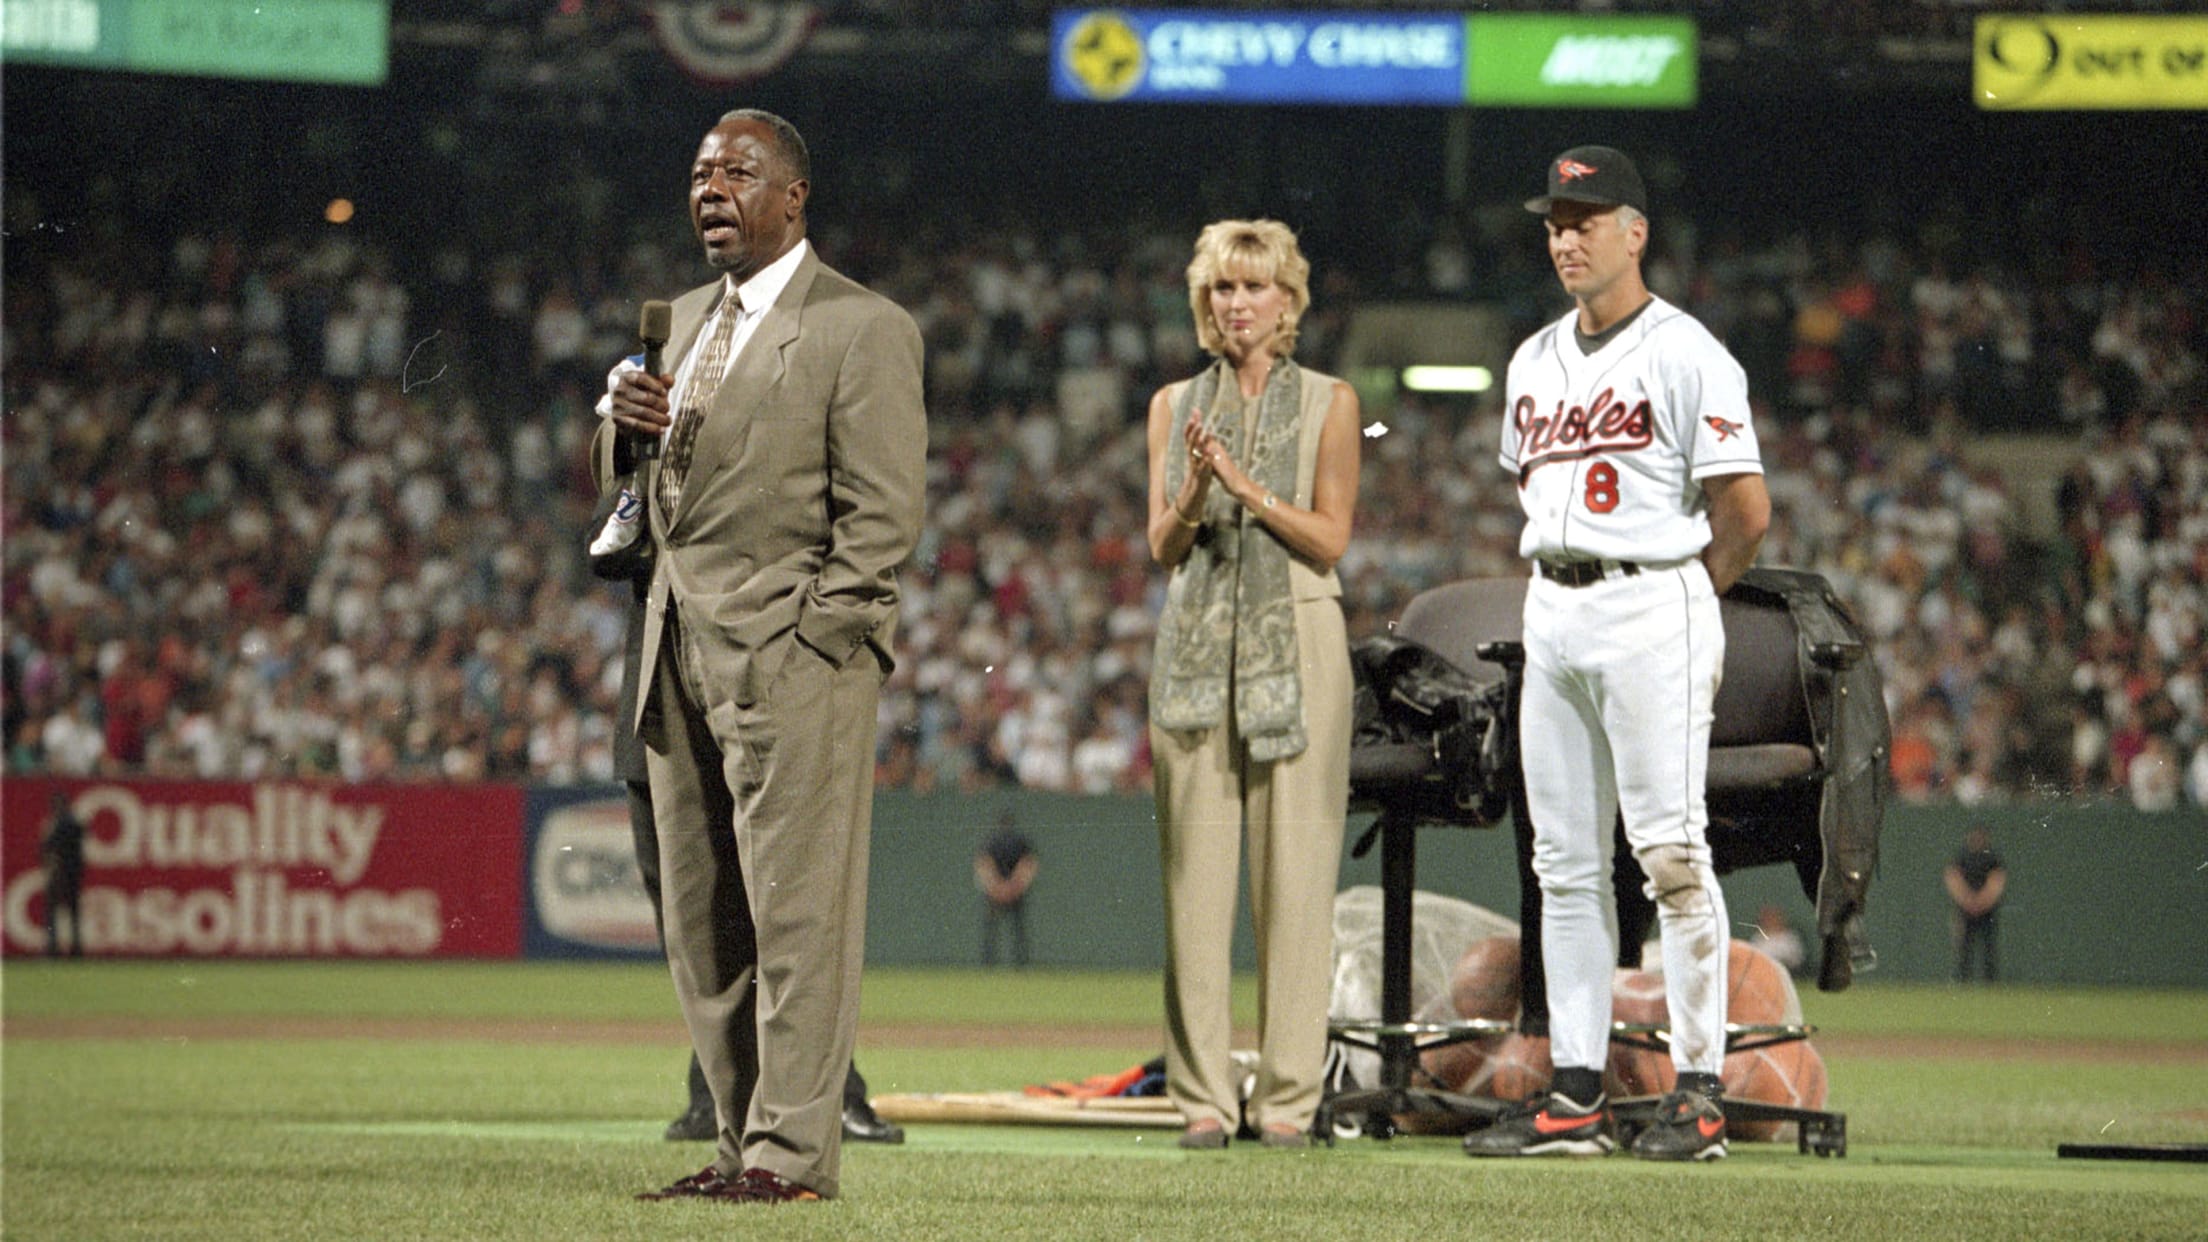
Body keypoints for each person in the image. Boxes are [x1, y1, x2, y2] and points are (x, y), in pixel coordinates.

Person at [597, 108, 925, 1205]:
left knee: (796, 918)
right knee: (703, 924)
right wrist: (621, 428)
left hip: (791, 659)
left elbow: (881, 520)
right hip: (674, 643)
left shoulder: (859, 326)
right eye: (699, 171)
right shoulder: (683, 320)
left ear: (794, 197)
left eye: (738, 170)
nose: (711, 188)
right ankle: (741, 1145)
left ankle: (793, 1155)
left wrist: (812, 641)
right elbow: (642, 489)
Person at [1463, 146, 1770, 1164]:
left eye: (1586, 219)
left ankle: (1698, 1094)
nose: (1565, 237)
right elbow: (1532, 494)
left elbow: (1745, 512)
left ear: (1635, 232)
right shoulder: (1534, 358)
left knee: (1673, 856)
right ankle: (1578, 1097)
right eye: (1555, 221)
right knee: (1564, 868)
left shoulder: (1689, 352)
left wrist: (1676, 599)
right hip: (1554, 605)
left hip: (1653, 603)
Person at [585, 472, 903, 1147]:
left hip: (753, 683)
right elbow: (609, 544)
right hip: (655, 691)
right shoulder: (652, 428)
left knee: (780, 909)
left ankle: (827, 1093)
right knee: (692, 921)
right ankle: (719, 1091)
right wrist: (631, 453)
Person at [1146, 219, 1361, 1151]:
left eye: (1256, 288)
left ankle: (1285, 1102)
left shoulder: (1332, 402)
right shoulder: (1170, 404)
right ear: (1206, 303)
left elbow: (1331, 538)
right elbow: (1163, 545)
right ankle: (1201, 1097)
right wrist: (1195, 490)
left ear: (1289, 302)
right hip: (1195, 645)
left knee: (1299, 887)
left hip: (1302, 643)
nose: (1239, 305)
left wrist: (1241, 481)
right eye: (1224, 290)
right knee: (1195, 890)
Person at [975, 812, 1039, 967]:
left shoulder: (991, 841)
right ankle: (1019, 963)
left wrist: (998, 886)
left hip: (1001, 890)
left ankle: (990, 963)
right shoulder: (1019, 841)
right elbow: (1029, 863)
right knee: (1015, 928)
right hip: (1009, 890)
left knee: (1000, 928)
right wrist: (1012, 885)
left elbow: (983, 864)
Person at [1944, 826, 2006, 982]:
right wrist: (1967, 899)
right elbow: (1952, 876)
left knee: (1988, 948)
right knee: (1963, 948)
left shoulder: (1992, 857)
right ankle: (1962, 981)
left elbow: (1997, 879)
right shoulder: (1962, 856)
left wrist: (1982, 900)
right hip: (1965, 909)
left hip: (1987, 910)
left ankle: (1990, 982)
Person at [40, 790, 86, 958]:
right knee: (73, 912)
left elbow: (46, 847)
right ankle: (76, 948)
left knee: (53, 910)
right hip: (73, 872)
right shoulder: (76, 822)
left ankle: (53, 948)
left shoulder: (57, 824)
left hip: (59, 871)